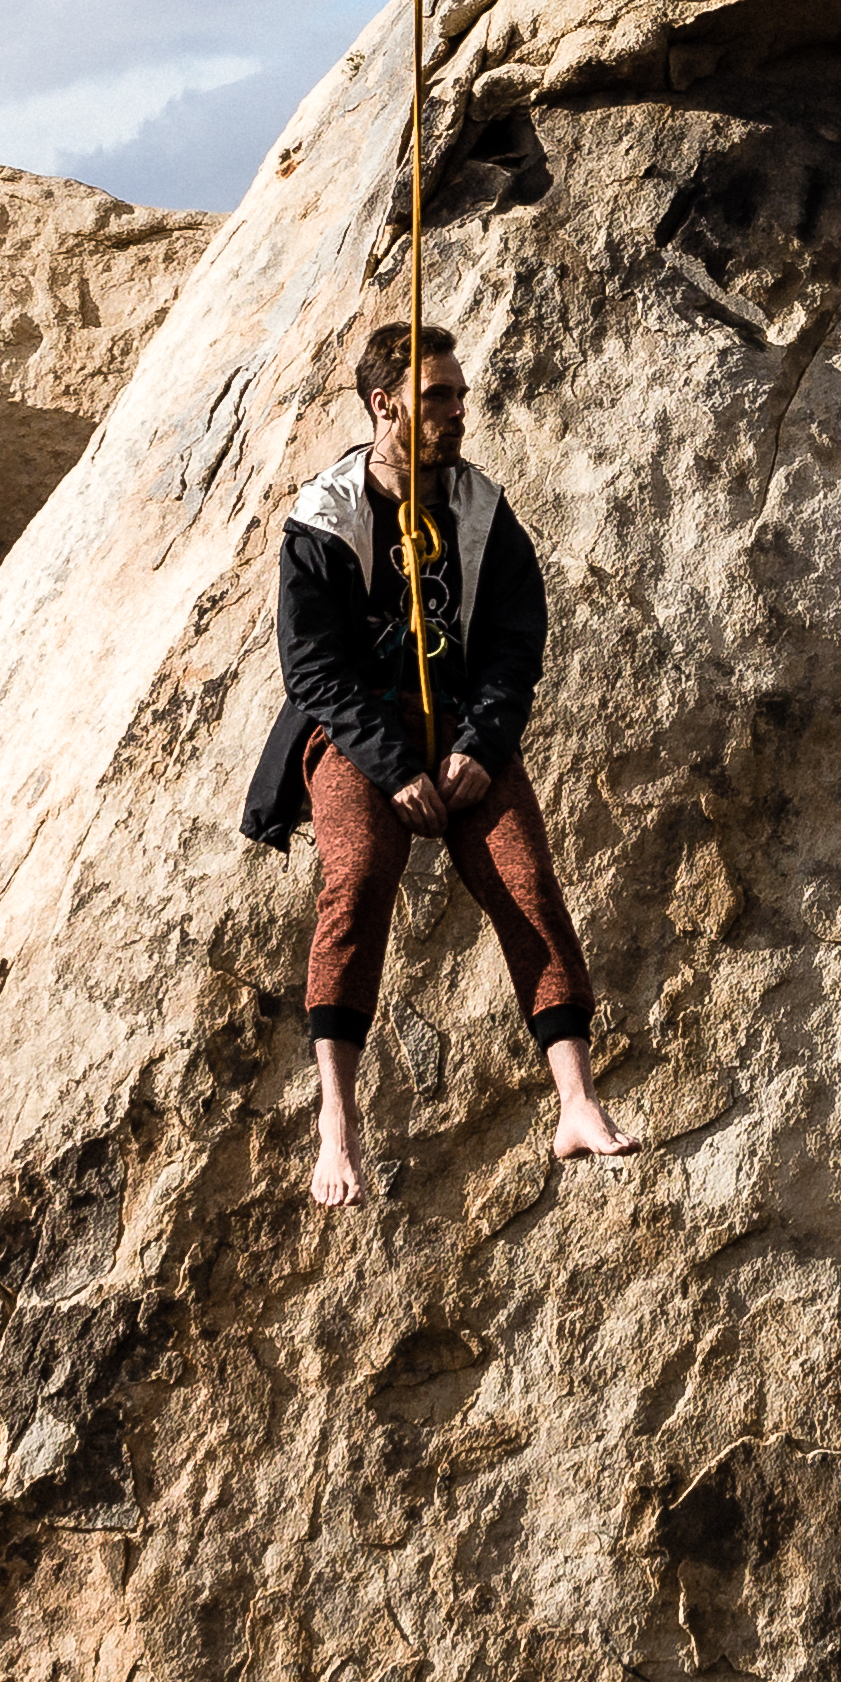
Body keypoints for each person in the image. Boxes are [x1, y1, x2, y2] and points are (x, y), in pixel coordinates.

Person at [240, 319, 634, 1203]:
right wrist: (390, 765)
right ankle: (336, 1121)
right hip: (356, 732)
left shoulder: (482, 510)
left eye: (458, 394)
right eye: (437, 397)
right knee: (361, 871)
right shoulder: (324, 518)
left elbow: (512, 644)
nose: (458, 410)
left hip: (459, 729)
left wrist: (479, 747)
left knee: (526, 879)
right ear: (385, 404)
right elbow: (312, 668)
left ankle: (577, 1102)